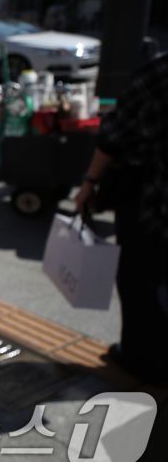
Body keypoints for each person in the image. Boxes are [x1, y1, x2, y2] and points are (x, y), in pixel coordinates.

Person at [75, 53, 168, 385]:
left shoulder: (157, 72)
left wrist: (89, 182)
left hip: (154, 205)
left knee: (139, 281)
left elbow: (116, 134)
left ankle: (141, 358)